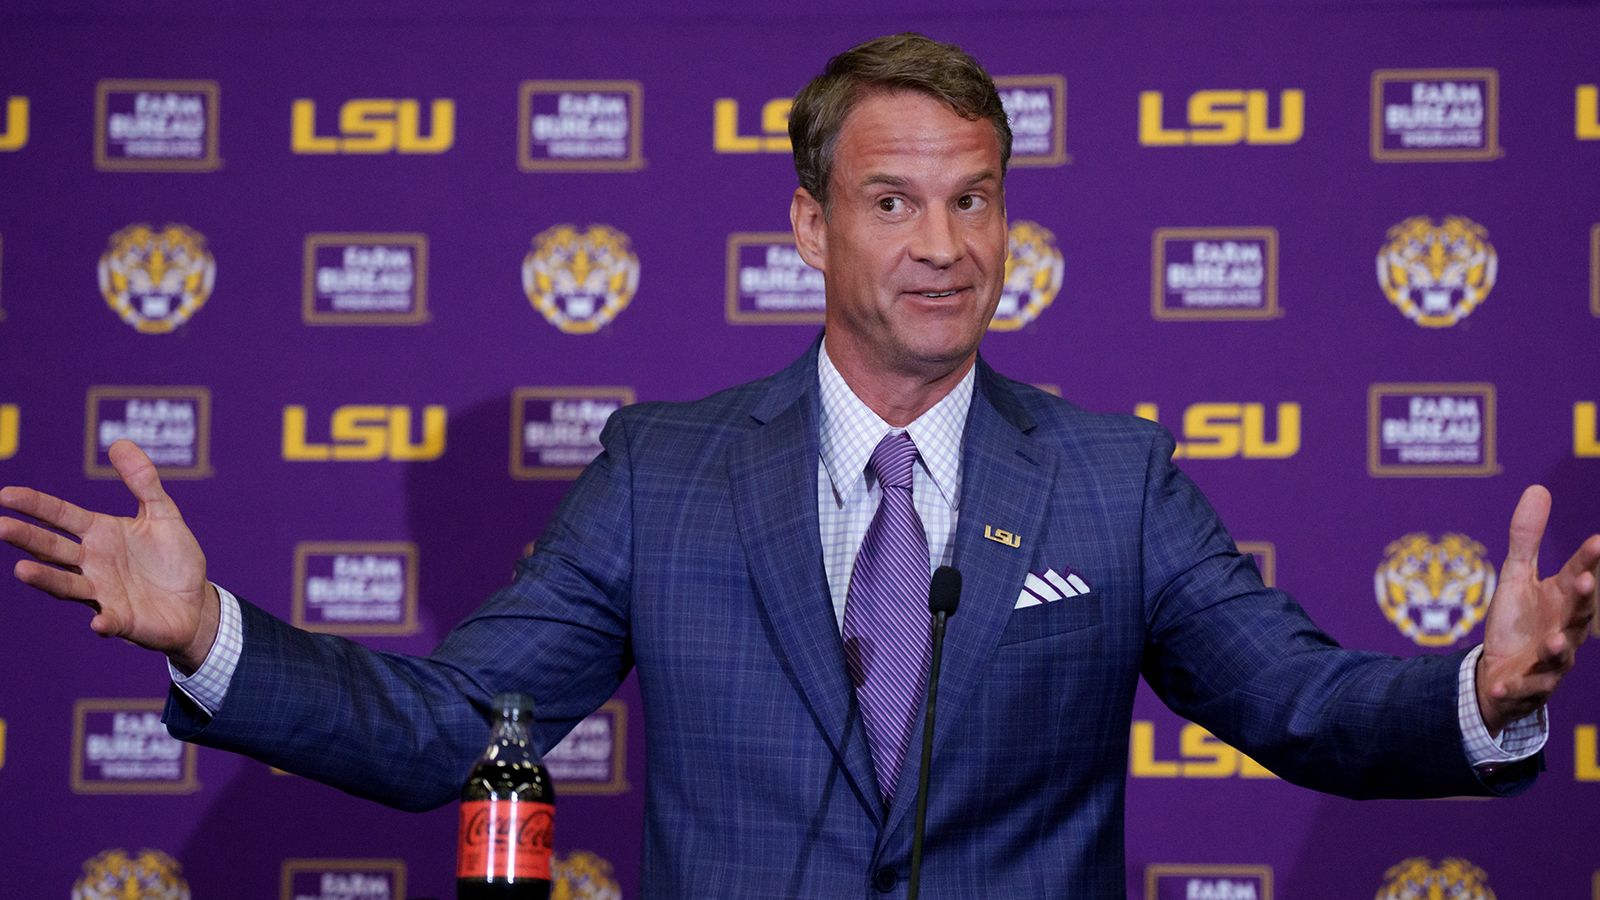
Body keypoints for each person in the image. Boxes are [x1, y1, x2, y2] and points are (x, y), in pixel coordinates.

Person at [3, 33, 1597, 898]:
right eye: (894, 202)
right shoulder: (666, 473)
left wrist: (1483, 690)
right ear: (807, 228)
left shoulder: (1115, 479)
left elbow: (1298, 704)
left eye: (974, 200)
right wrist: (212, 636)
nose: (943, 244)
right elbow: (447, 733)